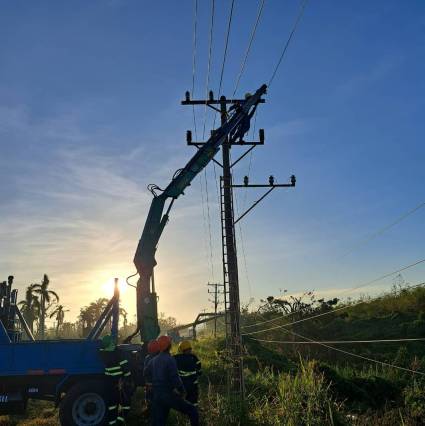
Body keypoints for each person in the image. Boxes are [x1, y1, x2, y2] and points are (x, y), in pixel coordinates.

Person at [144, 335, 199, 426]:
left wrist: (150, 383)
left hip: (157, 395)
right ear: (169, 346)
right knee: (192, 411)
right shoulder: (170, 359)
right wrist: (182, 391)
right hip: (168, 394)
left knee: (159, 421)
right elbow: (175, 378)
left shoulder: (153, 360)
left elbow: (145, 372)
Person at [99, 335, 133, 425]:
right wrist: (128, 379)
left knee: (112, 406)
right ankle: (121, 420)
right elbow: (125, 367)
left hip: (110, 384)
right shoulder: (117, 353)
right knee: (126, 404)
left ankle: (112, 423)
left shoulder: (103, 353)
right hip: (120, 382)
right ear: (111, 343)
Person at [174, 340, 202, 406]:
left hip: (183, 385)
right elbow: (199, 369)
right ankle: (195, 411)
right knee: (194, 400)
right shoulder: (194, 357)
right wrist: (198, 373)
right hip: (193, 384)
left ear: (181, 349)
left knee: (184, 400)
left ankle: (186, 412)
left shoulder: (176, 358)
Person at [143, 340, 160, 413]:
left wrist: (147, 383)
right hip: (159, 383)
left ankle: (149, 409)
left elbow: (145, 372)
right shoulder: (162, 357)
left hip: (150, 383)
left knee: (149, 397)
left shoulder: (147, 358)